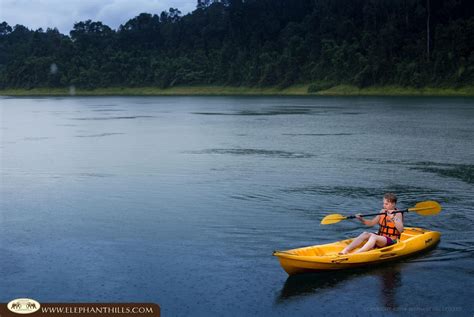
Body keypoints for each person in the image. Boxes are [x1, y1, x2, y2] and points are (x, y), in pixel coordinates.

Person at [339, 193, 404, 255]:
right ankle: (345, 250)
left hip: (392, 240)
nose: (384, 205)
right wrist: (361, 219)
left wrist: (393, 218)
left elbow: (401, 230)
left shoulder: (398, 213)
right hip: (381, 237)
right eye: (383, 203)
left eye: (386, 204)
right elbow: (371, 223)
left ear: (393, 204)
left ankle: (357, 253)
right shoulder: (382, 212)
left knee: (373, 236)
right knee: (365, 233)